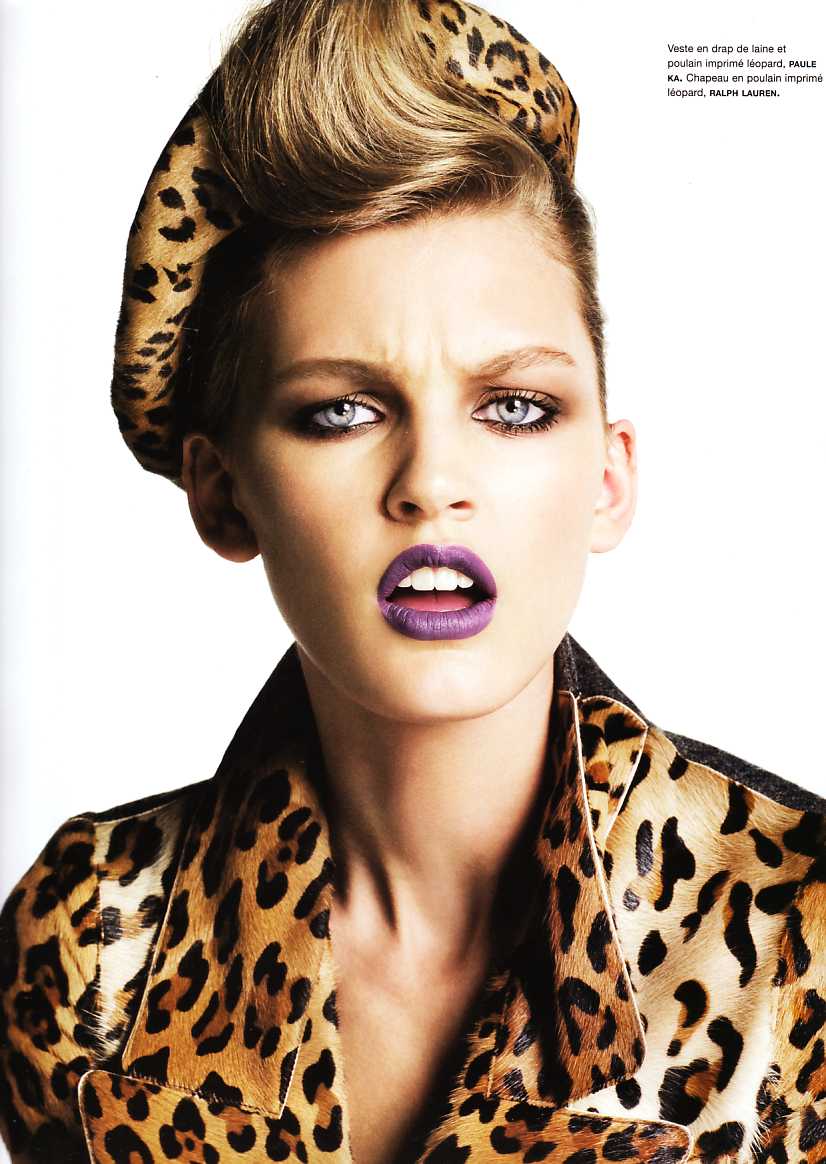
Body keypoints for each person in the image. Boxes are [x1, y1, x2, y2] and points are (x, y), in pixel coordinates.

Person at [1, 2, 823, 1163]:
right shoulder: (89, 944)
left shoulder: (803, 939)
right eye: (341, 411)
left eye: (514, 407)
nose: (432, 482)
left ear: (606, 478)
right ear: (222, 495)